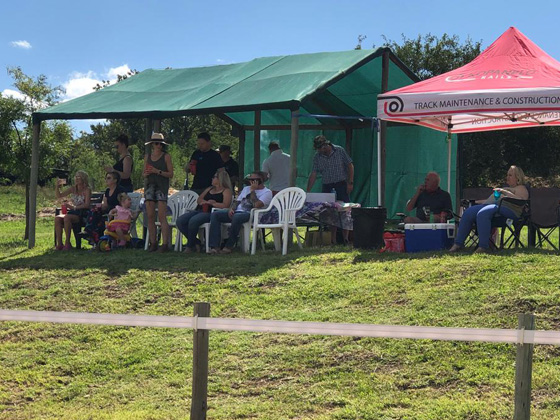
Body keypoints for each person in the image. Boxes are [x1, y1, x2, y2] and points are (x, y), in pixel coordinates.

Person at [450, 165, 529, 254]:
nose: (507, 177)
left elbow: (521, 200)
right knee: (469, 212)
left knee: (484, 212)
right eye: (507, 175)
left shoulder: (521, 188)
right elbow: (491, 201)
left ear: (518, 178)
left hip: (510, 211)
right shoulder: (505, 188)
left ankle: (483, 246)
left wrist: (504, 192)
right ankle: (458, 244)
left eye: (510, 175)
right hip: (494, 207)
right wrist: (475, 201)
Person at [207, 171, 272, 254]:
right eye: (250, 179)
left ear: (260, 180)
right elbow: (237, 201)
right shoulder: (246, 189)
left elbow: (256, 205)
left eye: (253, 179)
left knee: (237, 217)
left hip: (251, 214)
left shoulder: (267, 192)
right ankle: (214, 246)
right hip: (237, 212)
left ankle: (229, 246)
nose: (251, 181)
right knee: (216, 214)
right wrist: (232, 208)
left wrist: (252, 191)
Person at [306, 135, 354, 243]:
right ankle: (332, 239)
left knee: (344, 210)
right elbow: (313, 173)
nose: (320, 151)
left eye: (320, 148)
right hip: (327, 185)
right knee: (329, 212)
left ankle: (345, 238)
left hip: (341, 184)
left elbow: (350, 165)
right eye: (318, 149)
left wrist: (350, 182)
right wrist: (308, 190)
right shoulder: (317, 157)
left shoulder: (340, 150)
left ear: (326, 145)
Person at [176, 170, 233, 253]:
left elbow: (226, 205)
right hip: (200, 210)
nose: (212, 179)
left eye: (214, 177)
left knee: (194, 221)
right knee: (180, 221)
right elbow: (199, 199)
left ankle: (190, 246)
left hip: (212, 213)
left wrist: (214, 203)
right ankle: (196, 242)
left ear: (220, 179)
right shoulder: (209, 189)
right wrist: (204, 202)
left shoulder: (226, 191)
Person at [143, 132, 174, 252]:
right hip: (150, 186)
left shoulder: (166, 156)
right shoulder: (147, 157)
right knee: (150, 215)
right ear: (152, 145)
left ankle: (165, 244)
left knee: (162, 216)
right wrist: (146, 173)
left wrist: (157, 171)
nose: (159, 146)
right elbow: (143, 173)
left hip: (161, 186)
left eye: (160, 144)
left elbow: (170, 174)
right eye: (156, 143)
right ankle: (153, 242)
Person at [54, 170, 92, 251]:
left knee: (67, 218)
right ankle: (59, 244)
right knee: (57, 218)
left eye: (79, 177)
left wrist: (73, 207)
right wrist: (57, 186)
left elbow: (87, 204)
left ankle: (68, 243)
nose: (76, 179)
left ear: (83, 179)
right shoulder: (73, 189)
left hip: (82, 212)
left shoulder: (87, 190)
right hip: (73, 212)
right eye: (76, 177)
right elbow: (59, 195)